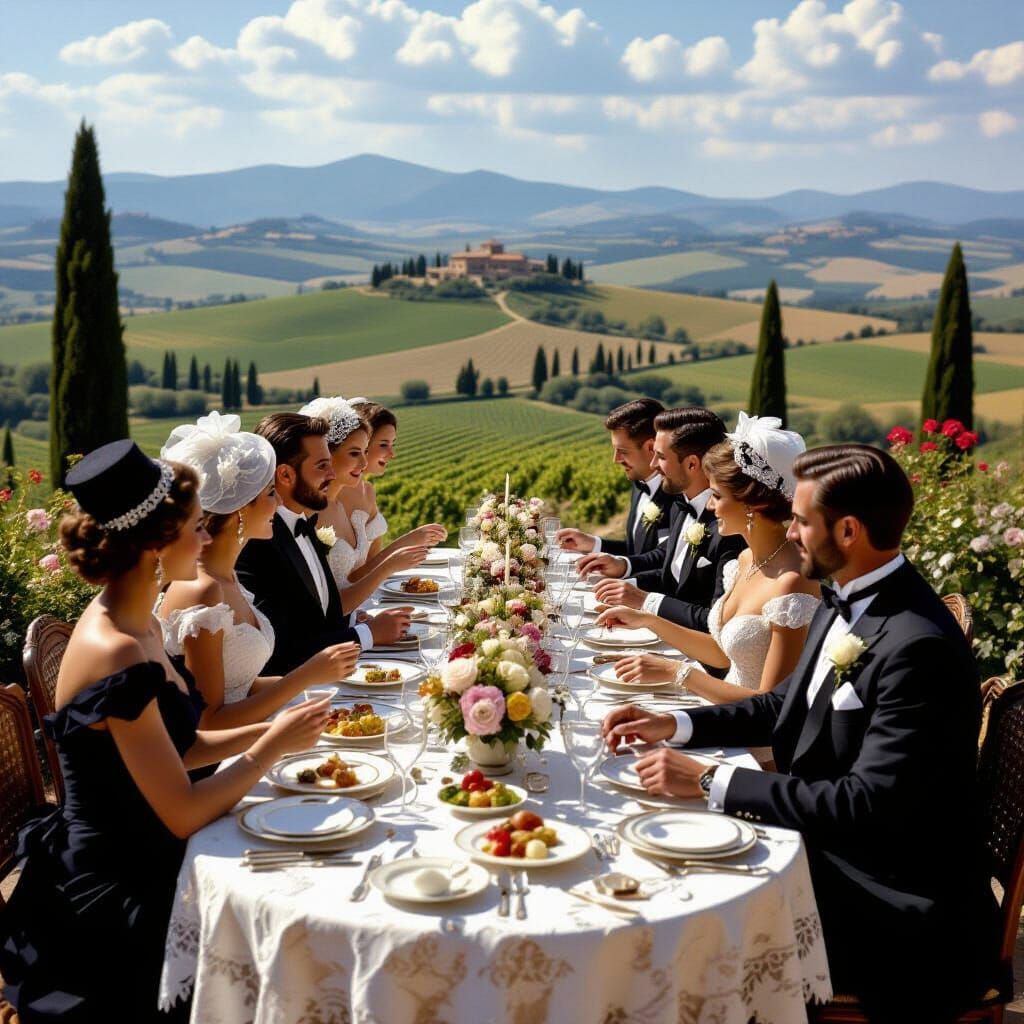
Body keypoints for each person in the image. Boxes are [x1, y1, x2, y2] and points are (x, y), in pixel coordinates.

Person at [602, 444, 1001, 1022]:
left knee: (680, 914)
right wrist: (677, 723)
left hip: (894, 907)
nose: (789, 530)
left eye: (801, 520)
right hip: (838, 849)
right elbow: (782, 706)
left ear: (848, 530)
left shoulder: (919, 645)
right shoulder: (847, 595)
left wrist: (712, 781)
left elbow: (866, 802)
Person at [0, 440, 330, 1023]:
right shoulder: (116, 650)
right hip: (118, 890)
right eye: (197, 528)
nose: (205, 540)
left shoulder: (140, 622)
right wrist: (270, 747)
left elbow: (186, 745)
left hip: (152, 844)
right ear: (156, 542)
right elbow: (181, 811)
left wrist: (275, 728)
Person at [597, 413, 819, 711]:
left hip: (751, 732)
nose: (711, 505)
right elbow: (721, 652)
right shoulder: (744, 559)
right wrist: (647, 620)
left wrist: (679, 673)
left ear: (753, 504)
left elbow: (772, 706)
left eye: (716, 495)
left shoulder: (794, 580)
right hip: (721, 710)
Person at [156, 412, 360, 729]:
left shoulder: (227, 576)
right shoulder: (203, 589)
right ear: (239, 509)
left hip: (253, 728)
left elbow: (241, 685)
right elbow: (208, 722)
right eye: (270, 494)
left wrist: (315, 691)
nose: (278, 502)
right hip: (226, 753)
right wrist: (305, 677)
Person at [236, 413, 410, 675]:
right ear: (285, 474)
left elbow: (317, 616)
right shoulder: (259, 545)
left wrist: (353, 620)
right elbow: (282, 649)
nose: (332, 474)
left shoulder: (304, 522)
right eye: (321, 466)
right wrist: (366, 634)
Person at [578, 407, 746, 632]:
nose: (653, 465)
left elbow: (715, 621)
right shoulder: (681, 505)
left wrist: (646, 601)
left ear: (692, 464)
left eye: (661, 457)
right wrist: (626, 582)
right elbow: (671, 575)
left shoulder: (729, 527)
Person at [298, 396, 442, 607]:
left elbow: (354, 575)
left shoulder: (339, 504)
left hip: (356, 611)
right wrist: (396, 556)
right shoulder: (312, 511)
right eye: (355, 452)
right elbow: (337, 591)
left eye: (364, 452)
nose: (364, 462)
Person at [340, 398, 446, 583]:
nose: (392, 454)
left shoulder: (368, 490)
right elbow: (352, 579)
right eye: (383, 445)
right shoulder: (337, 496)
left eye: (392, 444)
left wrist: (412, 541)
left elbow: (370, 565)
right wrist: (407, 542)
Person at [555, 397, 672, 558]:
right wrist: (593, 544)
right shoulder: (639, 484)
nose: (615, 459)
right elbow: (636, 551)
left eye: (622, 451)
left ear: (651, 447)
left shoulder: (677, 495)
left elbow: (663, 560)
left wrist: (623, 567)